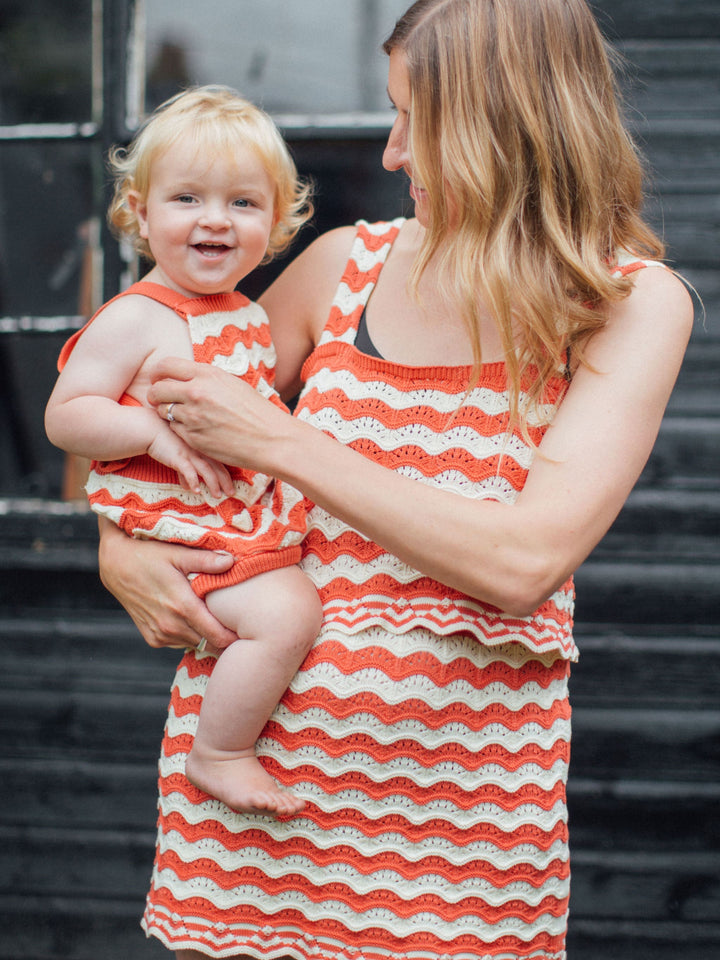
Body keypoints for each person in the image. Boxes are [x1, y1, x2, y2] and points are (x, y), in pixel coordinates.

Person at [96, 1, 694, 958]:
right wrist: (116, 546)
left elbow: (521, 562)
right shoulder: (344, 266)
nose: (391, 152)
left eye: (419, 119)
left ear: (510, 124)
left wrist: (281, 443)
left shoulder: (628, 303)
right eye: (393, 112)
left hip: (460, 830)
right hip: (254, 797)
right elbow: (140, 401)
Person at [45, 85, 322, 818]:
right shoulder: (136, 317)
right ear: (141, 214)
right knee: (289, 615)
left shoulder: (248, 314)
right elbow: (66, 417)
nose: (215, 219)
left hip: (231, 513)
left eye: (242, 202)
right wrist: (150, 433)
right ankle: (220, 752)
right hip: (180, 526)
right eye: (188, 198)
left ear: (276, 220)